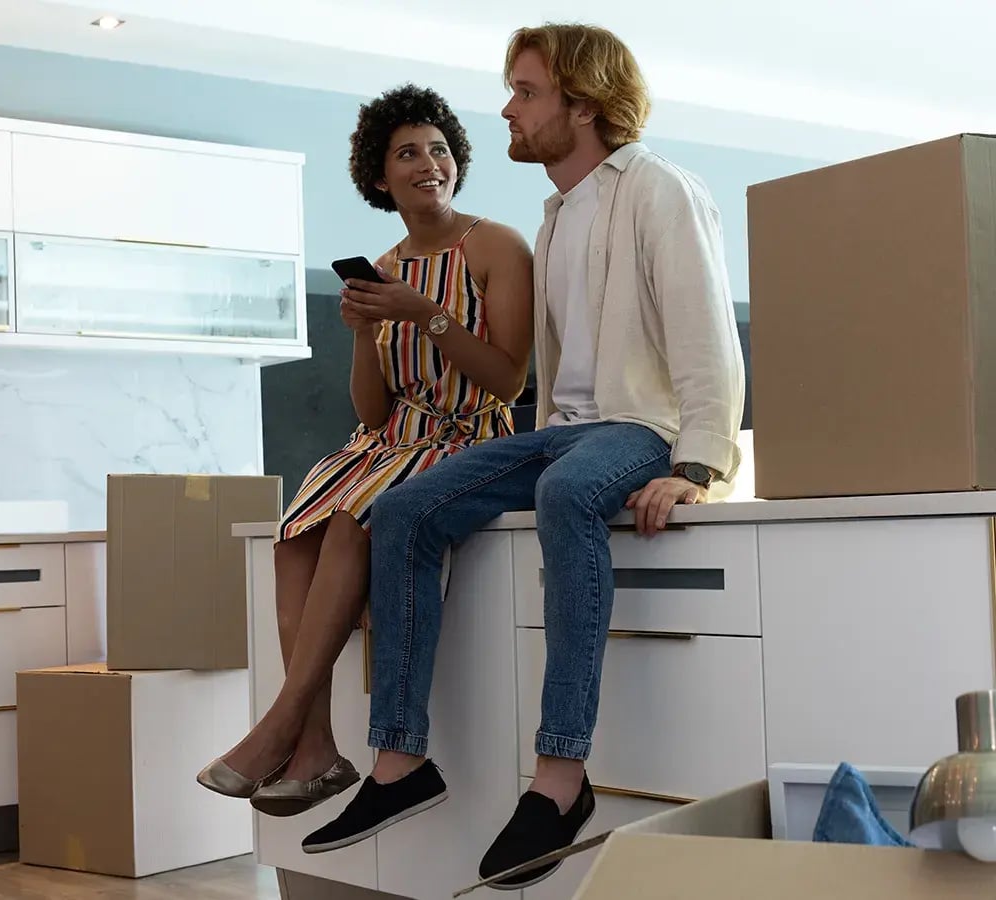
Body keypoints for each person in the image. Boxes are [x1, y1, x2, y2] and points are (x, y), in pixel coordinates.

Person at [303, 22, 745, 889]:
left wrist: (698, 465)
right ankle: (399, 762)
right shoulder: (555, 215)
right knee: (401, 508)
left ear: (581, 105)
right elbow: (524, 376)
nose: (507, 108)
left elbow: (707, 338)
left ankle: (560, 777)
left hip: (636, 427)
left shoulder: (657, 188)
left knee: (570, 492)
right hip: (558, 428)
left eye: (527, 91)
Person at [196, 83, 534, 818]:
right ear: (380, 178)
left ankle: (281, 725)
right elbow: (374, 409)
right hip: (388, 441)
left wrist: (428, 315)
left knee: (352, 521)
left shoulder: (498, 245)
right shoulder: (382, 264)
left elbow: (509, 379)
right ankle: (314, 747)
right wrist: (361, 333)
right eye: (407, 153)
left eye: (439, 149)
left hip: (467, 436)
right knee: (291, 539)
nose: (428, 163)